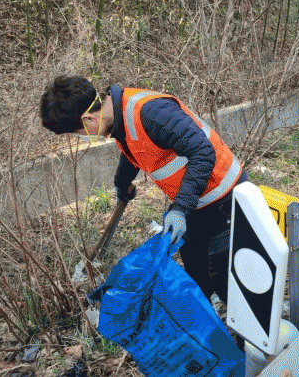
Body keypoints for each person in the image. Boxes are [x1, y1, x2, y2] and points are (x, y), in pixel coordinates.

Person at [40, 75, 247, 305]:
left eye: (78, 132)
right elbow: (138, 148)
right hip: (194, 201)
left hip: (224, 198)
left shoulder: (151, 113)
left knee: (225, 279)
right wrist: (122, 182)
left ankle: (250, 327)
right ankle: (204, 324)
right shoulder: (119, 115)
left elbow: (203, 152)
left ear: (88, 118)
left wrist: (180, 209)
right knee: (196, 276)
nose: (82, 136)